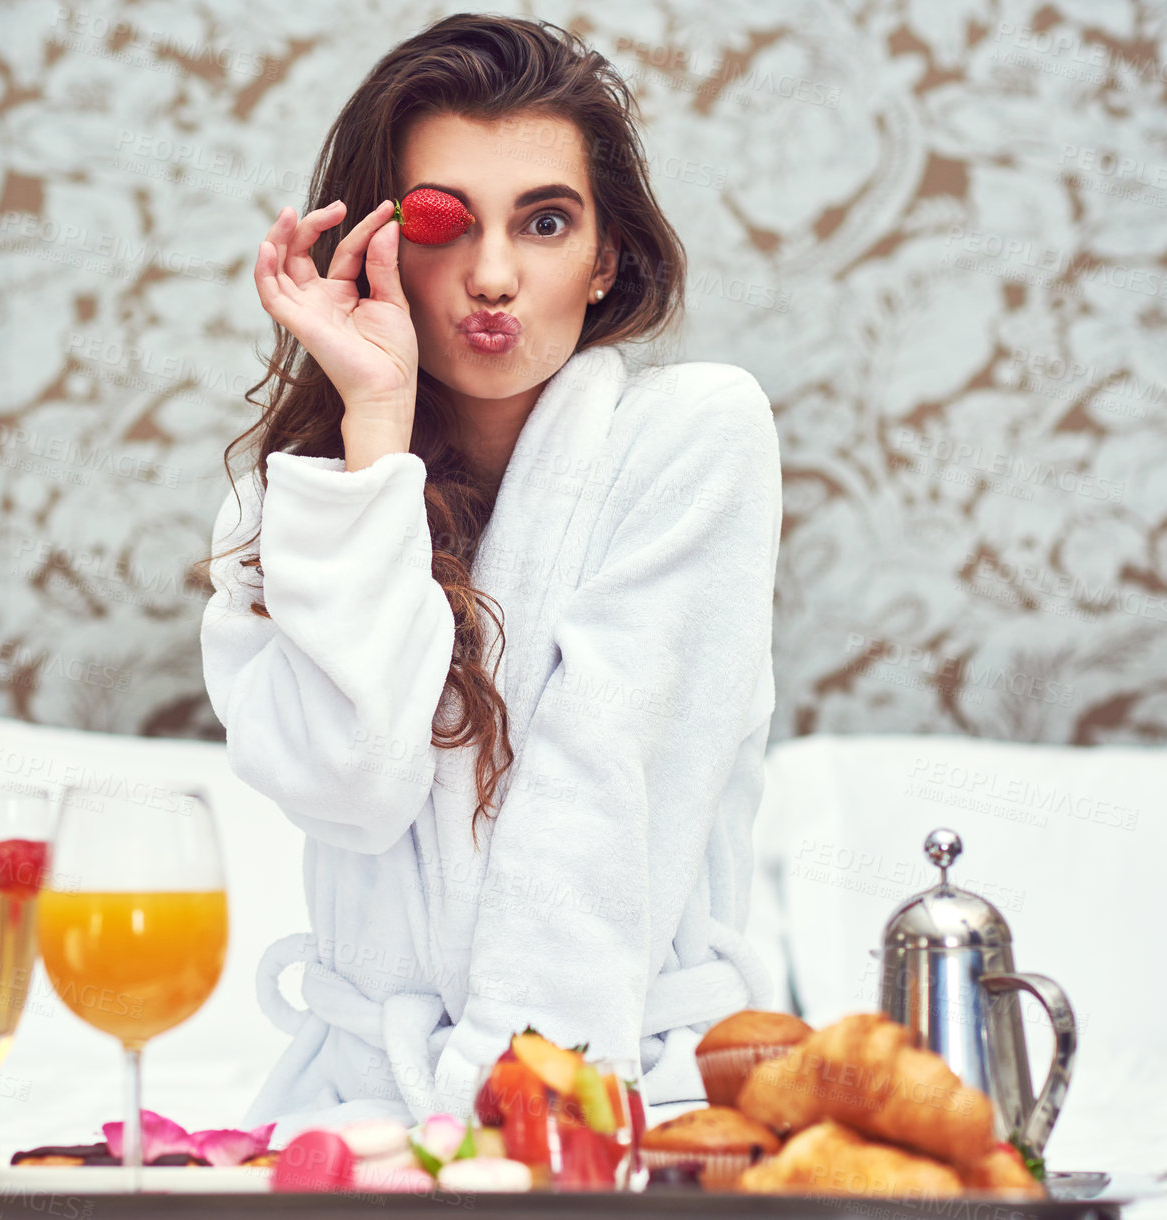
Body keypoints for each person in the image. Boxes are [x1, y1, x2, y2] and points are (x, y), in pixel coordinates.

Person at [195, 13, 782, 1146]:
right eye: (443, 222)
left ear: (606, 256)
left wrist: (503, 1129)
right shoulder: (291, 510)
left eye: (547, 221)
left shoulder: (696, 437)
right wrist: (375, 422)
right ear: (377, 238)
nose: (495, 275)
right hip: (360, 1101)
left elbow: (603, 810)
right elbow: (357, 787)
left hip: (604, 1086)